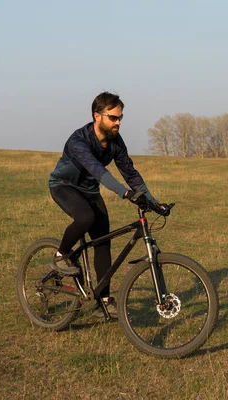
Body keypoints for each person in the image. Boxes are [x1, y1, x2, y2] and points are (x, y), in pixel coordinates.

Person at [48, 92, 167, 318]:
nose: (118, 122)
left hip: (90, 191)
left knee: (103, 242)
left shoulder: (115, 142)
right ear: (97, 116)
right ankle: (61, 255)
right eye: (113, 118)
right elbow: (99, 171)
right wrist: (125, 193)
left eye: (120, 117)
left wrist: (153, 202)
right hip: (64, 186)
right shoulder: (78, 141)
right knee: (85, 218)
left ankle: (103, 301)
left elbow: (130, 173)